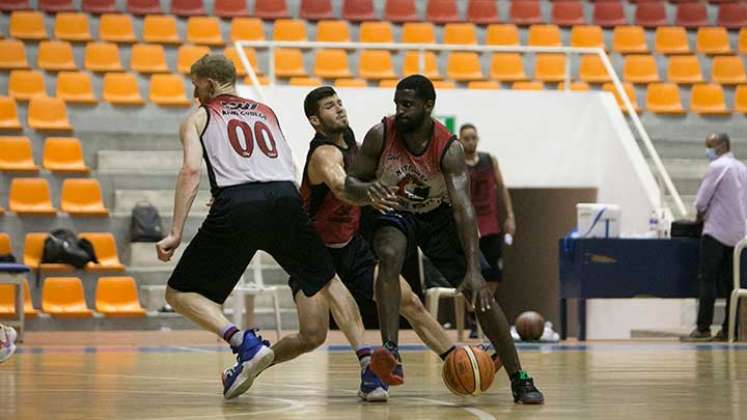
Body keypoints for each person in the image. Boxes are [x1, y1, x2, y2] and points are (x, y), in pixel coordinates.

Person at [155, 54, 372, 400]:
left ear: (210, 83)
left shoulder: (200, 116)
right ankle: (369, 368)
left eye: (196, 85)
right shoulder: (266, 112)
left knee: (179, 293)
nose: (194, 93)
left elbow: (191, 173)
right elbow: (282, 160)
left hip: (238, 203)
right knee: (328, 280)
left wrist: (176, 231)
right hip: (284, 198)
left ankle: (243, 343)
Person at [345, 75, 544, 404]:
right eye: (397, 104)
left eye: (407, 105)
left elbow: (464, 211)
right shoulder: (380, 133)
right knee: (390, 255)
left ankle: (519, 378)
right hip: (392, 209)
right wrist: (367, 191)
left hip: (436, 216)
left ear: (428, 106)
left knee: (478, 294)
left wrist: (474, 269)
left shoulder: (447, 147)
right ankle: (391, 350)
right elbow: (350, 184)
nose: (400, 111)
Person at [298, 86, 457, 400]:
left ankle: (456, 358)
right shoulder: (324, 154)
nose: (340, 108)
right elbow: (343, 188)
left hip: (349, 245)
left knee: (408, 300)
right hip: (313, 249)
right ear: (315, 121)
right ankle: (255, 363)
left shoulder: (356, 148)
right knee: (313, 334)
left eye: (340, 102)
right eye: (330, 106)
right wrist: (372, 192)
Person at [683, 133, 747, 342]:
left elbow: (702, 201)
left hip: (716, 232)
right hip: (738, 235)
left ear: (721, 146)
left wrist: (698, 218)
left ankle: (703, 328)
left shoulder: (718, 167)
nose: (707, 151)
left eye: (709, 146)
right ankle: (729, 329)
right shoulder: (742, 168)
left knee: (707, 279)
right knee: (732, 284)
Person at [458, 123, 516, 338]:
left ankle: (484, 310)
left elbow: (501, 188)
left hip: (490, 224)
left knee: (494, 275)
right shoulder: (457, 164)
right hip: (470, 227)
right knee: (471, 274)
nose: (471, 141)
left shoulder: (489, 161)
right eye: (466, 138)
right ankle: (472, 317)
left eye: (474, 137)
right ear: (460, 140)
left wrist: (510, 215)